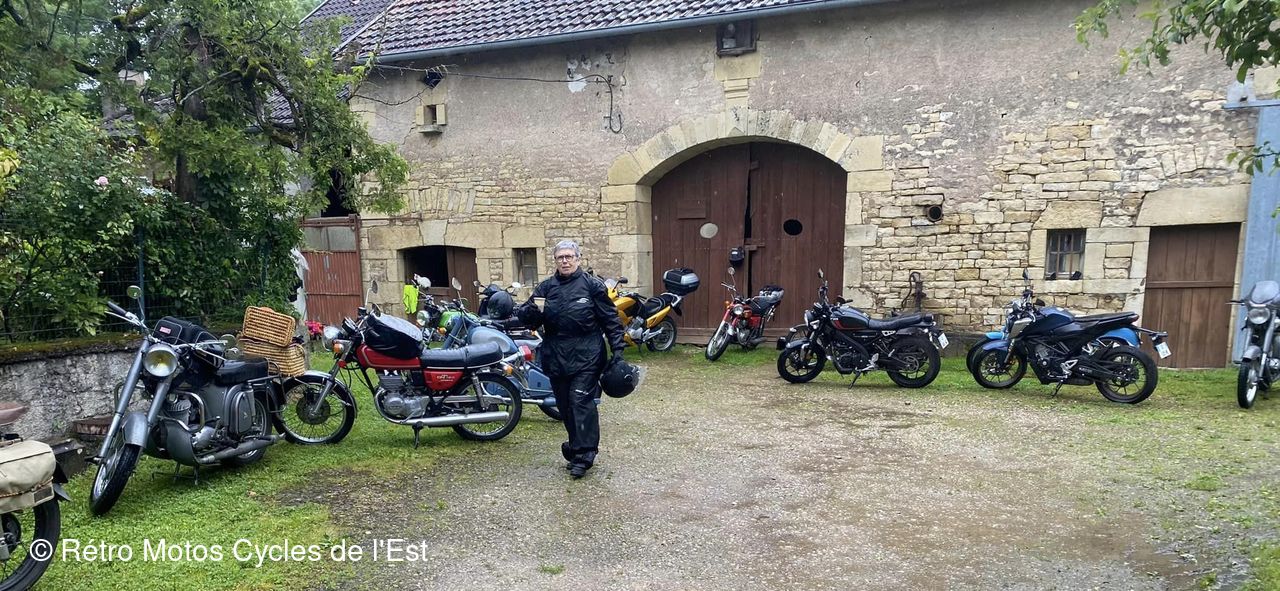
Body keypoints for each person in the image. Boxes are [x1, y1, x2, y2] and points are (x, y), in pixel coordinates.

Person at [517, 240, 626, 479]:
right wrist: (530, 313)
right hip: (557, 355)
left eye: (569, 256)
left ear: (578, 259)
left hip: (588, 354)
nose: (565, 261)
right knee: (565, 406)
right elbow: (529, 320)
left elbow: (611, 320)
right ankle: (576, 446)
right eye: (560, 257)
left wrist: (618, 351)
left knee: (580, 402)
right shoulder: (546, 288)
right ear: (555, 261)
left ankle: (584, 456)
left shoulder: (592, 286)